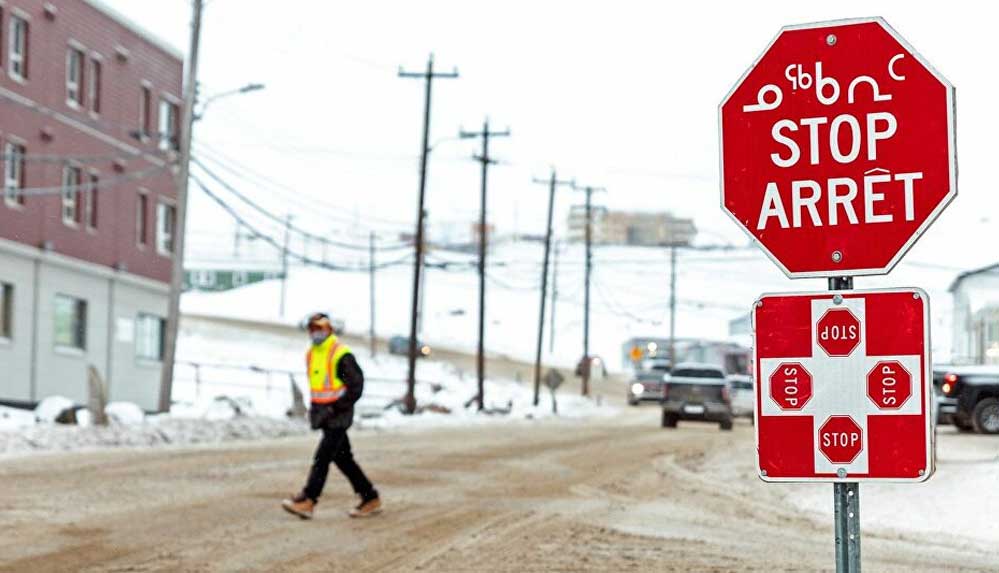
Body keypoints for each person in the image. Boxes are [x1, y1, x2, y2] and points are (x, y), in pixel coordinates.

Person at [282, 312, 381, 519]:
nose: (315, 333)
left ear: (329, 329)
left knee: (322, 458)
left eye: (320, 328)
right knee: (344, 459)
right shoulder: (312, 353)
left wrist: (336, 407)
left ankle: (309, 499)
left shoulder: (340, 353)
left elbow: (356, 386)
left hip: (338, 416)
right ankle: (370, 497)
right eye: (312, 329)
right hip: (324, 416)